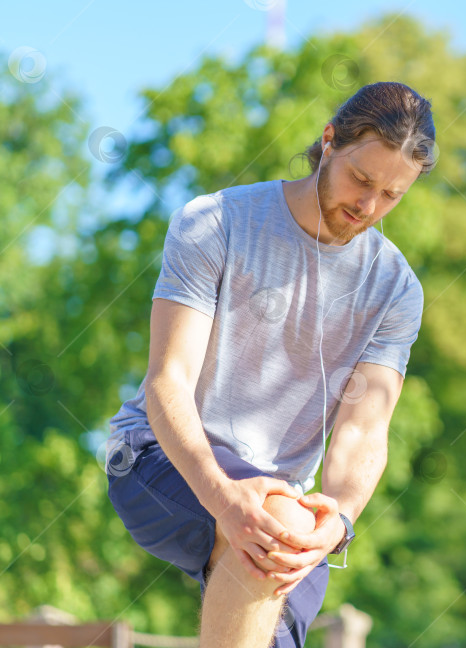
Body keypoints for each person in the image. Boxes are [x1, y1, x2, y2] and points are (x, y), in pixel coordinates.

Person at [104, 81, 436, 648]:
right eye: (361, 180)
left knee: (281, 559)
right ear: (329, 142)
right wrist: (221, 495)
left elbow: (363, 428)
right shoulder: (215, 221)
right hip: (157, 459)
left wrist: (342, 516)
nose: (368, 206)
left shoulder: (396, 289)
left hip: (286, 509)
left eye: (391, 194)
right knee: (274, 521)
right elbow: (168, 381)